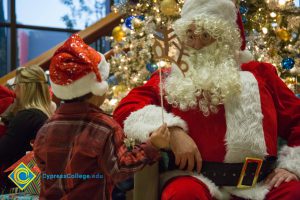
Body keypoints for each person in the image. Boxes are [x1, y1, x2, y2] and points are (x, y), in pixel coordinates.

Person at [113, 0, 300, 199]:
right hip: (194, 178)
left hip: (260, 183)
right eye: (190, 35)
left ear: (225, 37)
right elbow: (127, 109)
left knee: (293, 193)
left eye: (206, 34)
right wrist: (174, 131)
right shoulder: (170, 77)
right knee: (183, 195)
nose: (197, 44)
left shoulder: (261, 74)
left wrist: (292, 167)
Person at [33, 34, 170, 200]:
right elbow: (120, 169)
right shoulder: (104, 126)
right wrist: (152, 145)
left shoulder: (46, 128)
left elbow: (41, 165)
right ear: (96, 90)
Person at [0, 65, 52, 191]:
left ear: (25, 87)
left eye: (16, 86)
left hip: (18, 190)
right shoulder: (43, 115)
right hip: (32, 186)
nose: (14, 91)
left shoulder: (26, 117)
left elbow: (2, 152)